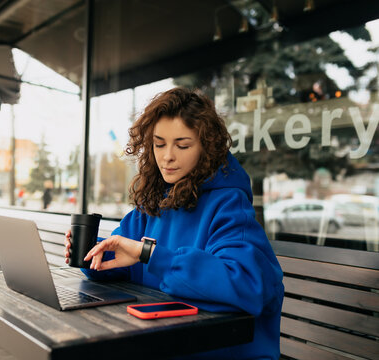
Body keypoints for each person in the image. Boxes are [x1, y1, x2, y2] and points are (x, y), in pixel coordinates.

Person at [64, 87, 284, 359]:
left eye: (182, 145)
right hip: (164, 342)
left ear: (207, 148)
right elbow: (126, 260)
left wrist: (150, 254)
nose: (167, 156)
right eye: (158, 144)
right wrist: (94, 255)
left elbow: (248, 285)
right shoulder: (153, 200)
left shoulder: (229, 205)